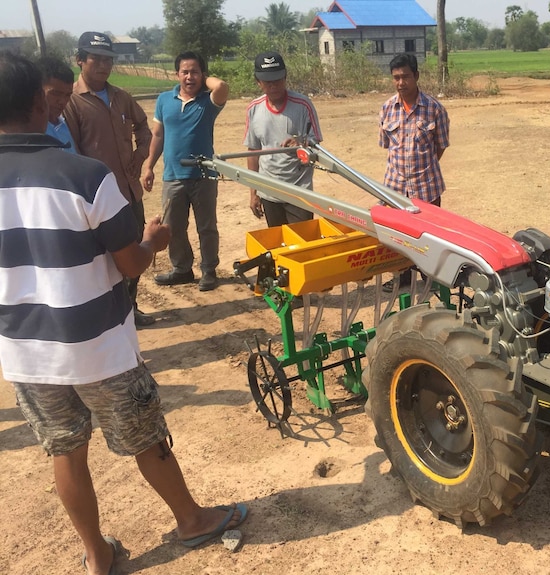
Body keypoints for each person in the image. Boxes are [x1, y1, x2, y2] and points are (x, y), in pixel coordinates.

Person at [0, 52, 248, 575]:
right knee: (145, 435)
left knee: (65, 451)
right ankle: (191, 519)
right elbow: (130, 262)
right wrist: (154, 241)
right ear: (38, 104)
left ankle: (96, 554)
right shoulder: (84, 175)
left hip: (26, 351)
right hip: (97, 343)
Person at [65, 32, 155, 326]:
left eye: (108, 60)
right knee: (104, 258)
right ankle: (112, 313)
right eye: (97, 59)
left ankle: (131, 307)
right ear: (80, 60)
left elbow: (144, 128)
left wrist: (141, 155)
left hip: (128, 192)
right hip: (97, 198)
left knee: (135, 250)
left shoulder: (121, 97)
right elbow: (73, 150)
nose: (104, 65)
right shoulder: (72, 103)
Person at [142, 51, 228, 292]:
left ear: (203, 75)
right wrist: (148, 166)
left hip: (204, 175)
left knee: (206, 227)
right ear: (176, 74)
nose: (189, 77)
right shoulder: (164, 100)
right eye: (185, 72)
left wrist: (206, 79)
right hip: (172, 175)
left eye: (195, 72)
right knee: (172, 227)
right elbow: (158, 135)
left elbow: (221, 86)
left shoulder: (208, 102)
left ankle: (209, 271)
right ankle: (182, 270)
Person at [378, 53, 450, 291]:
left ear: (416, 76)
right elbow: (387, 146)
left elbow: (440, 146)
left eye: (406, 76)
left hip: (426, 187)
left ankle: (430, 278)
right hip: (395, 187)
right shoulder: (387, 108)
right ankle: (402, 277)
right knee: (398, 236)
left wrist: (422, 170)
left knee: (429, 237)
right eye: (396, 78)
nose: (401, 83)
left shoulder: (434, 109)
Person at [244, 51, 323, 226]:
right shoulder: (254, 109)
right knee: (278, 245)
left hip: (299, 190)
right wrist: (254, 193)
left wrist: (302, 142)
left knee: (301, 245)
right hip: (269, 191)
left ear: (285, 77)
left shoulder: (303, 105)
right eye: (268, 81)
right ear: (258, 82)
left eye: (277, 80)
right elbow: (253, 153)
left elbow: (316, 143)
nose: (273, 86)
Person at [36, 55, 76, 153]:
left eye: (67, 95)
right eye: (55, 94)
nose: (62, 101)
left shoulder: (65, 125)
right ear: (37, 90)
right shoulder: (32, 130)